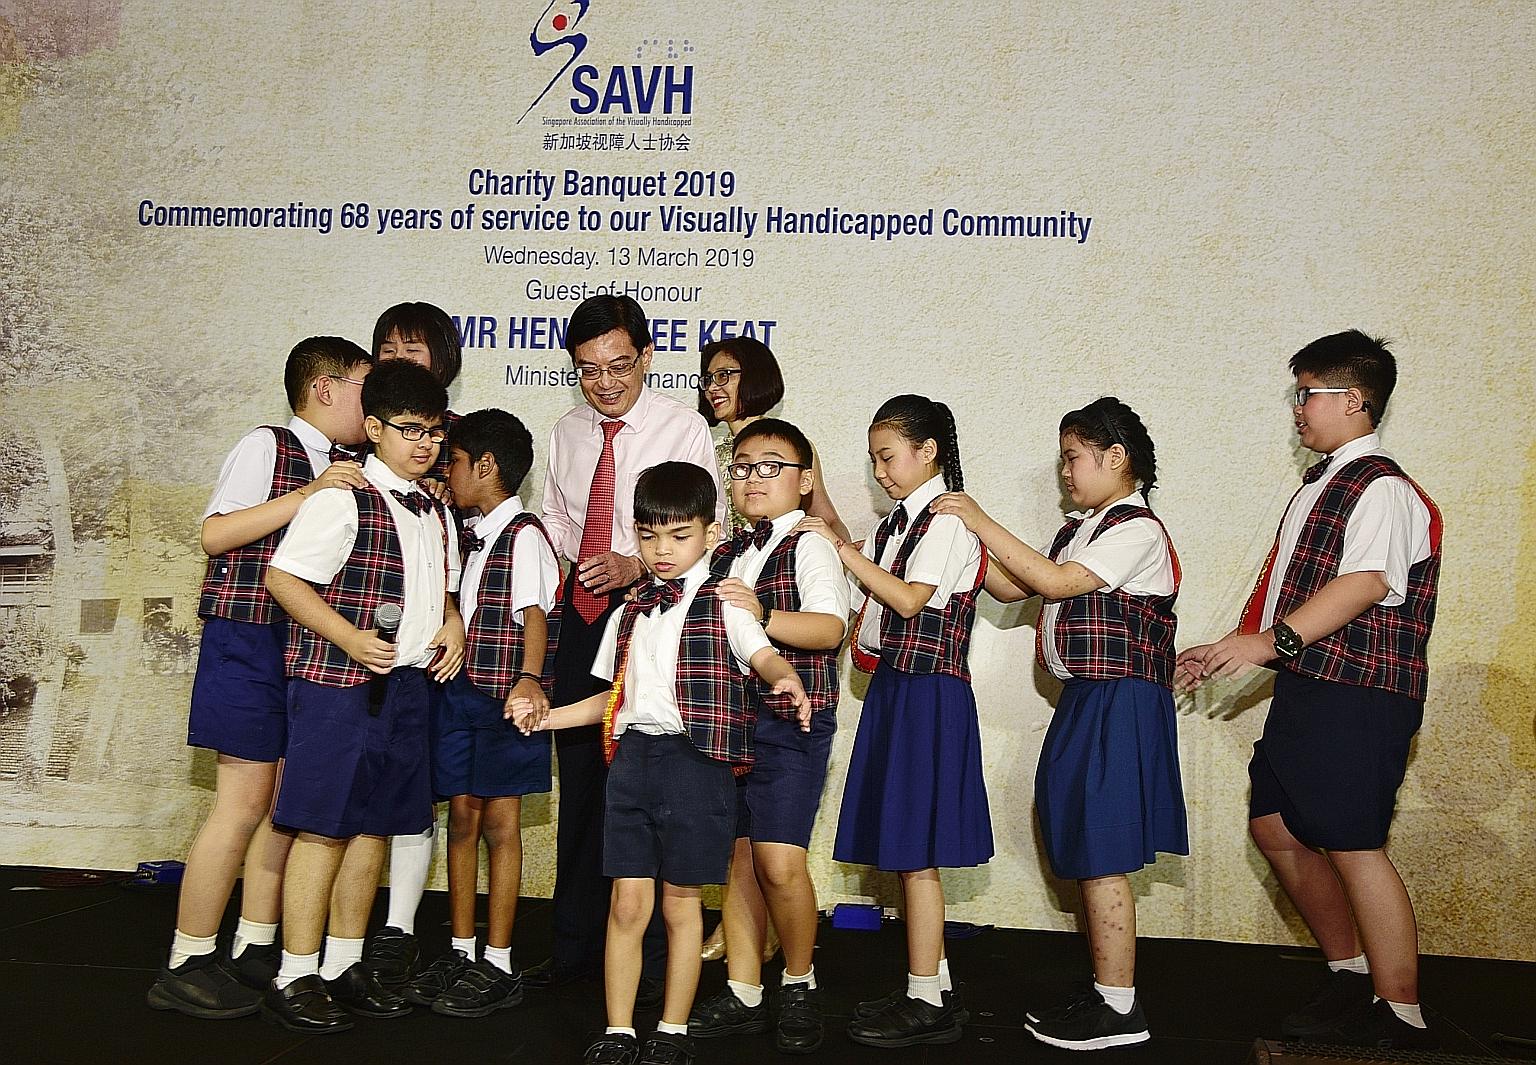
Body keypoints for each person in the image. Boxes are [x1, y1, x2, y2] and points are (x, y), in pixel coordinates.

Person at [1177, 331, 1441, 1050]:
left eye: (1308, 392)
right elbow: (1296, 594)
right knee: (1277, 827)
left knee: (1355, 843)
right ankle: (1351, 972)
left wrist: (1268, 641)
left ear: (1354, 400)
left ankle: (1401, 1009)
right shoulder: (1321, 484)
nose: (1298, 408)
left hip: (1360, 693)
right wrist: (1233, 644)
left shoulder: (1381, 485)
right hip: (1312, 687)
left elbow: (1365, 583)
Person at [511, 460, 810, 1065]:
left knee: (681, 903)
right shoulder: (628, 610)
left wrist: (786, 679)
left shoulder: (726, 603)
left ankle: (672, 1030)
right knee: (626, 902)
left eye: (680, 536)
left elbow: (761, 656)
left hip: (697, 764)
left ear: (710, 530)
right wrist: (548, 716)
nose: (663, 550)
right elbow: (608, 697)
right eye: (649, 537)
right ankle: (619, 1029)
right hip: (633, 761)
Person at [933, 396, 1188, 1050]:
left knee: (1101, 846)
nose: (1066, 471)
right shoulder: (1084, 526)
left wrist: (979, 516)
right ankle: (1108, 988)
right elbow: (1017, 586)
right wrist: (954, 538)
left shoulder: (1137, 528)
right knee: (1074, 831)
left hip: (1121, 697)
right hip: (1085, 699)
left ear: (1116, 456)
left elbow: (1055, 580)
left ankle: (1121, 1010)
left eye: (1074, 457)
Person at [146, 337, 374, 1019]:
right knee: (241, 801)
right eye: (365, 387)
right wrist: (308, 493)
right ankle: (188, 956)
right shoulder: (269, 446)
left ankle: (253, 941)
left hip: (293, 644)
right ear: (325, 387)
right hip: (244, 638)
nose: (371, 406)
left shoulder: (343, 466)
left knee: (281, 798)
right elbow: (215, 534)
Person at [260, 359, 465, 1033]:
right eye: (409, 429)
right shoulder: (341, 497)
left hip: (409, 688)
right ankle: (294, 973)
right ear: (372, 427)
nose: (424, 443)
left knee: (375, 826)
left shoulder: (436, 508)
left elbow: (447, 590)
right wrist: (349, 637)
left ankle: (347, 963)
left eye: (434, 431)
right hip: (337, 688)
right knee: (322, 828)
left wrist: (454, 623)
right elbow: (285, 579)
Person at [528, 295, 722, 995]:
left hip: (654, 613)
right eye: (587, 370)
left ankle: (659, 969)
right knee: (581, 787)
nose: (604, 383)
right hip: (582, 619)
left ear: (646, 356)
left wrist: (636, 564)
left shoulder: (683, 426)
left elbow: (711, 529)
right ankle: (577, 947)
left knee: (654, 791)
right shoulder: (566, 431)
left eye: (618, 365)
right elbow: (555, 517)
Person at [800, 394, 992, 1049]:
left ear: (928, 450)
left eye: (888, 455)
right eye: (875, 459)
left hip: (929, 692)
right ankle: (929, 985)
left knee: (919, 854)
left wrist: (841, 549)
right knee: (905, 850)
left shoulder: (945, 521)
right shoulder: (899, 525)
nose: (881, 470)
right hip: (895, 686)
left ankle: (926, 996)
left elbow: (910, 599)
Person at [686, 419, 848, 1054]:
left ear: (804, 480)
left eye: (771, 466)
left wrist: (764, 614)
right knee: (738, 860)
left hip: (791, 720)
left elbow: (830, 629)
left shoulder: (810, 545)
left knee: (780, 861)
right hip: (731, 723)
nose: (754, 478)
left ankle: (800, 982)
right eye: (743, 466)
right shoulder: (728, 549)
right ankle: (744, 989)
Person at [401, 409, 561, 1017]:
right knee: (460, 818)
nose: (448, 470)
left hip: (503, 700)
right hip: (460, 696)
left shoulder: (523, 534)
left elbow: (535, 617)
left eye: (456, 461)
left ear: (486, 468)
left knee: (501, 823)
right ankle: (462, 949)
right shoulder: (465, 532)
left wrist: (527, 681)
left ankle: (498, 958)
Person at [366, 300, 466, 986]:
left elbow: (454, 565)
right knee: (341, 805)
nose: (400, 358)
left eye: (415, 348)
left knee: (413, 795)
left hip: (422, 660)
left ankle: (396, 929)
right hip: (351, 662)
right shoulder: (351, 458)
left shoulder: (448, 461)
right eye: (388, 348)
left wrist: (454, 614)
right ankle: (333, 944)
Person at [698, 336, 850, 541]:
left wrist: (843, 556)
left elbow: (827, 520)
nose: (712, 388)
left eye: (724, 375)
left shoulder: (790, 446)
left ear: (755, 377)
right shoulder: (710, 451)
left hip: (779, 565)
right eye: (708, 379)